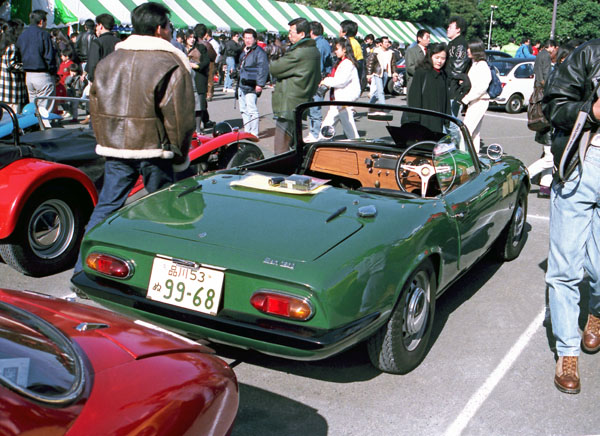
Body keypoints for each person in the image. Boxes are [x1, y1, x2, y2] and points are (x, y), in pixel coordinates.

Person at [73, 2, 195, 275]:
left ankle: (81, 270)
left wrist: (105, 139)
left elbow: (95, 107)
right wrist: (180, 153)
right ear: (160, 29)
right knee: (164, 210)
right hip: (155, 149)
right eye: (169, 27)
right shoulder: (171, 62)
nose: (170, 31)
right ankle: (160, 274)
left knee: (106, 207)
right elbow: (180, 117)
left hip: (115, 147)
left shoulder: (109, 61)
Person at [542, 38, 600, 395]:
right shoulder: (590, 53)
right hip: (584, 165)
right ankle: (567, 351)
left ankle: (596, 310)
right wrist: (592, 111)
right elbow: (553, 105)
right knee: (565, 269)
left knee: (598, 267)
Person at [270, 17, 320, 154]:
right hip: (300, 100)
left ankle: (282, 172)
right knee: (292, 144)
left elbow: (275, 68)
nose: (289, 35)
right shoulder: (312, 50)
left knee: (281, 148)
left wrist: (275, 58)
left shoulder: (299, 52)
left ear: (302, 34)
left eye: (292, 32)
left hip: (289, 103)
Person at [529, 39, 558, 197]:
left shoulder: (539, 55)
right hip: (546, 109)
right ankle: (525, 175)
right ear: (552, 47)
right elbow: (544, 77)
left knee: (549, 154)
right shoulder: (546, 57)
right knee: (549, 156)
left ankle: (544, 187)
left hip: (540, 106)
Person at [319, 37, 361, 139]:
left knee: (350, 132)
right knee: (347, 131)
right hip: (340, 101)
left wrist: (326, 81)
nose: (335, 51)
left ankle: (318, 144)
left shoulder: (347, 63)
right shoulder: (343, 62)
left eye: (337, 49)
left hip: (343, 101)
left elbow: (340, 81)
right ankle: (319, 143)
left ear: (344, 49)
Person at [15, 10, 57, 112]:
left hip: (28, 75)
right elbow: (49, 56)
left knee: (33, 107)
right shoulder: (44, 34)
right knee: (44, 110)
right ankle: (44, 126)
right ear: (41, 21)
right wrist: (53, 72)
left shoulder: (22, 35)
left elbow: (18, 54)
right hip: (43, 74)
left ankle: (35, 126)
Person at [404, 42, 450, 133]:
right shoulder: (422, 72)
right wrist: (414, 118)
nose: (439, 61)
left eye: (443, 58)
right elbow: (414, 96)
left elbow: (446, 99)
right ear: (430, 56)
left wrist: (447, 119)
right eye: (436, 58)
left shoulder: (443, 74)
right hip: (423, 120)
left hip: (439, 119)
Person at [460, 38, 491, 153]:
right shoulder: (475, 64)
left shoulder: (482, 65)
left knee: (465, 131)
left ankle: (463, 156)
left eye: (470, 48)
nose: (467, 50)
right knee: (474, 133)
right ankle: (475, 157)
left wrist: (466, 99)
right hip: (476, 100)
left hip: (480, 101)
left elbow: (482, 87)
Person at [237, 28, 268, 137]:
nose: (248, 40)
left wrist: (260, 84)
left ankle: (254, 133)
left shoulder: (259, 52)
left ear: (255, 39)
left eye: (250, 38)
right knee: (243, 110)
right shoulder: (245, 51)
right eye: (246, 38)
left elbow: (262, 68)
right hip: (242, 84)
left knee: (252, 110)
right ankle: (247, 130)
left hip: (252, 84)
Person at [305, 21, 332, 142]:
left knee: (314, 108)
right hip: (321, 78)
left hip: (317, 79)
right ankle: (313, 132)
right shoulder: (323, 42)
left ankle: (315, 134)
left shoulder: (319, 45)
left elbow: (318, 64)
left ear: (311, 32)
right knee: (313, 107)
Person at [445, 16, 470, 121]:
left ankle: (456, 138)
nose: (447, 29)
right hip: (451, 85)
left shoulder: (460, 44)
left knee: (451, 120)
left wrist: (448, 80)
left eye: (450, 27)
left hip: (453, 88)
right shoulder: (453, 43)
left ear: (458, 29)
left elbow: (457, 69)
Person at [187, 29, 211, 133]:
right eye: (190, 37)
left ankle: (197, 128)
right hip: (185, 79)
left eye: (193, 37)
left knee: (198, 106)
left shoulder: (201, 47)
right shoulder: (180, 48)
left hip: (197, 78)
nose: (192, 40)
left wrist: (196, 66)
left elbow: (206, 61)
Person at [0, 20, 27, 114]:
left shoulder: (3, 44)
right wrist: (25, 67)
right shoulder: (12, 46)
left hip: (4, 86)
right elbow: (11, 65)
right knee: (14, 114)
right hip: (13, 87)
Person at [193, 24, 216, 128]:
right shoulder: (206, 45)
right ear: (205, 33)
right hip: (203, 72)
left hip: (192, 73)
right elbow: (213, 56)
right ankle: (204, 121)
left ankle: (205, 120)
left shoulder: (193, 44)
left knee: (198, 100)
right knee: (200, 100)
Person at [366, 36, 399, 110]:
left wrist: (395, 74)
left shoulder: (391, 52)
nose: (387, 44)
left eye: (388, 42)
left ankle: (370, 104)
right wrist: (369, 75)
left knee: (378, 91)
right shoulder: (376, 51)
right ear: (381, 44)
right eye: (385, 42)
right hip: (377, 73)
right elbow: (370, 63)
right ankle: (383, 107)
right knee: (381, 91)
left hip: (386, 73)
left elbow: (393, 64)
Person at [86, 13, 119, 83]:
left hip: (101, 82)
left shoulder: (97, 42)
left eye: (97, 25)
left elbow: (92, 65)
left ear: (100, 26)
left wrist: (92, 80)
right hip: (116, 81)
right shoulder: (119, 42)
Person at [405, 29, 430, 93]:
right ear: (419, 38)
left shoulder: (429, 51)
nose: (429, 40)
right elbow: (410, 67)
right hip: (415, 81)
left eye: (429, 38)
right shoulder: (411, 51)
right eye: (427, 37)